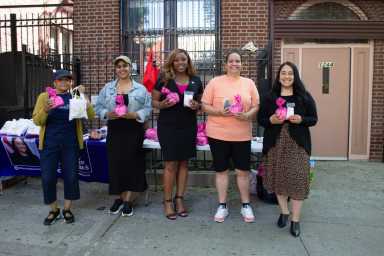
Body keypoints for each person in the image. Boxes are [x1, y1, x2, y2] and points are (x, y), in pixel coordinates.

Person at [257, 61, 318, 237]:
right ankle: (284, 212)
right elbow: (261, 119)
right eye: (283, 73)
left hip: (298, 145)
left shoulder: (304, 96)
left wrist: (301, 120)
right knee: (279, 179)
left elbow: (314, 119)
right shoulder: (270, 97)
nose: (286, 76)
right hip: (275, 144)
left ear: (295, 76)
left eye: (290, 73)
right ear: (279, 76)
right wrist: (271, 120)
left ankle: (295, 220)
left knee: (298, 180)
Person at [201, 50, 259, 223]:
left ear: (242, 64)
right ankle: (222, 205)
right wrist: (219, 111)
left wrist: (249, 115)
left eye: (238, 61)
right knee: (221, 170)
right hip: (218, 134)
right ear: (225, 64)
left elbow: (256, 105)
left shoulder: (248, 83)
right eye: (231, 61)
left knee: (243, 171)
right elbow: (204, 105)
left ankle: (246, 205)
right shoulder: (215, 82)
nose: (235, 64)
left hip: (241, 135)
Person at [32, 69, 95, 225]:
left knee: (71, 177)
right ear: (54, 82)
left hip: (70, 144)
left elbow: (91, 115)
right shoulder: (45, 97)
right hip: (49, 144)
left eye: (67, 80)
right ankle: (54, 209)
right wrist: (45, 110)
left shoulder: (75, 95)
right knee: (47, 178)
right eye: (61, 80)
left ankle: (67, 209)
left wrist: (86, 101)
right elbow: (37, 121)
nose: (64, 83)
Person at [95, 55, 152, 217]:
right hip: (115, 129)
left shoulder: (140, 89)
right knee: (116, 164)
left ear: (130, 68)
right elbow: (98, 107)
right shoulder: (107, 88)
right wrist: (108, 113)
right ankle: (119, 198)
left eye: (125, 66)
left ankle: (128, 200)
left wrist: (135, 114)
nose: (122, 69)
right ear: (115, 69)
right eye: (119, 66)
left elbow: (148, 109)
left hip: (133, 129)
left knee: (132, 165)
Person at [152, 49, 203, 220]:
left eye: (184, 59)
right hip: (168, 126)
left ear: (188, 62)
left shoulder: (196, 81)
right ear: (172, 62)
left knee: (184, 163)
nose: (181, 63)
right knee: (170, 164)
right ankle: (167, 201)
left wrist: (197, 105)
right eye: (177, 60)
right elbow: (153, 101)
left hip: (188, 126)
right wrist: (163, 105)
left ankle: (179, 199)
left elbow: (201, 103)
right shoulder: (164, 80)